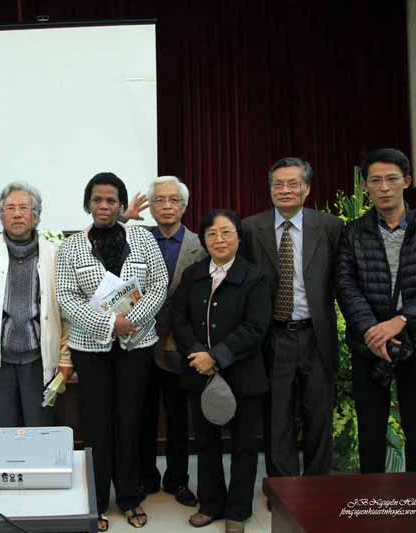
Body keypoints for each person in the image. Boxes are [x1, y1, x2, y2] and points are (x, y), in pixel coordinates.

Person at [56, 172, 168, 531]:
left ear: (121, 205)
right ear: (88, 204)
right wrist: (109, 325)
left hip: (137, 345)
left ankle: (130, 497)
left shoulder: (142, 237)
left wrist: (129, 321)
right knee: (96, 424)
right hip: (91, 349)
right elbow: (66, 297)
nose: (103, 206)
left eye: (110, 200)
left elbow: (159, 284)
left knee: (130, 421)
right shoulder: (71, 246)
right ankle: (98, 500)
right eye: (97, 200)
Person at [337, 148, 416, 473]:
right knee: (370, 434)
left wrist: (400, 320)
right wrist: (372, 331)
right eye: (375, 180)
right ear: (365, 186)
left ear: (406, 181)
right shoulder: (352, 233)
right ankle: (372, 498)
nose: (384, 187)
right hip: (370, 345)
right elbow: (346, 286)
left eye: (391, 179)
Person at [241, 157, 342, 478]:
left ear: (307, 189)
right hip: (273, 335)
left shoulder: (330, 227)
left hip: (316, 335)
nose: (285, 190)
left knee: (319, 414)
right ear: (270, 189)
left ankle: (317, 485)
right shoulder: (250, 228)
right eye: (278, 184)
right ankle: (283, 487)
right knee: (277, 416)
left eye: (293, 184)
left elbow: (341, 278)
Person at [172, 209, 270, 533]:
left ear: (239, 237)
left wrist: (215, 357)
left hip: (243, 374)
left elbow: (256, 328)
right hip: (198, 374)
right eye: (211, 234)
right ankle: (210, 504)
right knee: (206, 443)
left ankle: (237, 511)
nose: (219, 239)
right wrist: (196, 353)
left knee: (243, 445)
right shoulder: (193, 274)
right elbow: (179, 319)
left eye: (226, 232)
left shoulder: (254, 277)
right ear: (203, 239)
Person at [0, 181, 72, 427]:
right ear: (0, 215)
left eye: (24, 208)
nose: (16, 214)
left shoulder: (55, 253)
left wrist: (65, 358)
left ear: (36, 215)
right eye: (10, 208)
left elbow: (66, 313)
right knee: (7, 432)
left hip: (40, 361)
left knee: (40, 429)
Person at [126, 176, 206, 506]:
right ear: (150, 206)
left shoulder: (201, 244)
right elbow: (99, 241)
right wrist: (124, 218)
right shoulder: (134, 238)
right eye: (159, 200)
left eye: (174, 200)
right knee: (143, 416)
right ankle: (146, 478)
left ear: (184, 206)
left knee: (178, 418)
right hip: (140, 343)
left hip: (180, 345)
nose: (167, 206)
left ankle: (177, 480)